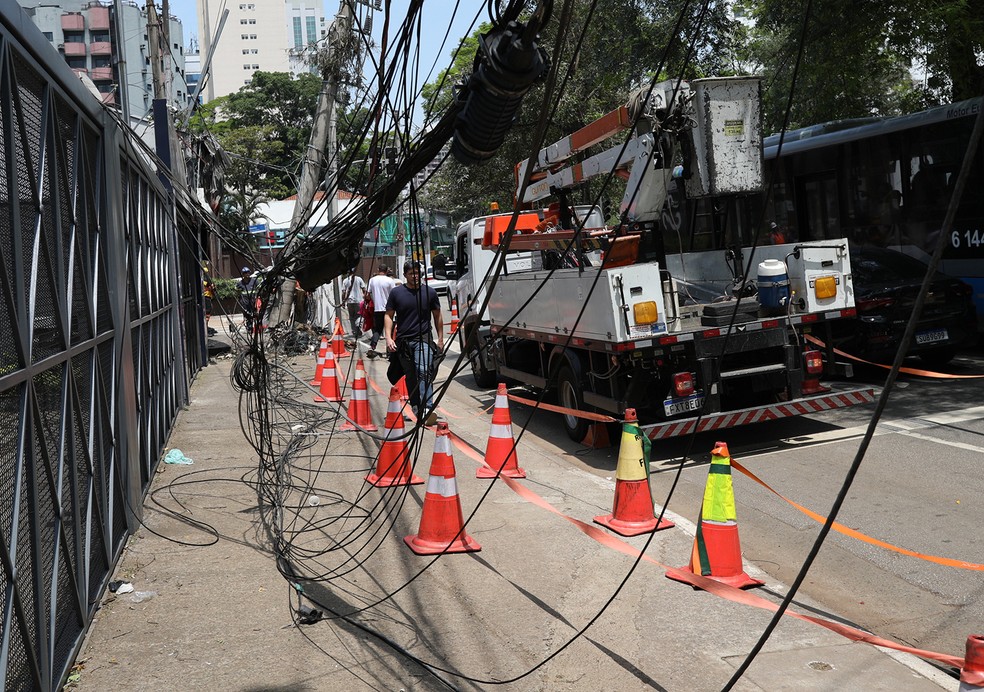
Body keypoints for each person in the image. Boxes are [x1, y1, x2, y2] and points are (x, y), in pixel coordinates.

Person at [384, 260, 444, 425]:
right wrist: (388, 337)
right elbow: (388, 316)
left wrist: (440, 339)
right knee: (410, 377)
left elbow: (437, 316)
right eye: (411, 273)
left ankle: (427, 408)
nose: (415, 276)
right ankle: (417, 408)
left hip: (423, 338)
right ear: (405, 275)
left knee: (423, 370)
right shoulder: (396, 293)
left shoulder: (429, 292)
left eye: (417, 273)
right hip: (403, 342)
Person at [366, 264, 396, 355]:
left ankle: (373, 345)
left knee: (378, 329)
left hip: (377, 309)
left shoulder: (372, 280)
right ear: (387, 271)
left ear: (378, 269)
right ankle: (389, 350)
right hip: (389, 309)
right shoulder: (390, 280)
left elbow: (367, 295)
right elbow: (394, 294)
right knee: (390, 330)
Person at [341, 269, 367, 339]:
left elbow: (343, 292)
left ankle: (354, 331)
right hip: (359, 301)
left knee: (352, 317)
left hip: (349, 301)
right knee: (359, 315)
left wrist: (343, 302)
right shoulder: (359, 279)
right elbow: (364, 290)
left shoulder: (345, 281)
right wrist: (365, 298)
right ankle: (358, 325)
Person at [235, 266, 258, 331]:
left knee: (254, 313)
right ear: (243, 274)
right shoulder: (240, 283)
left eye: (248, 272)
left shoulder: (254, 281)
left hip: (253, 300)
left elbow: (259, 287)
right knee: (247, 313)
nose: (247, 274)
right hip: (245, 301)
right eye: (245, 273)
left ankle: (255, 326)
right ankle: (249, 326)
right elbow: (236, 289)